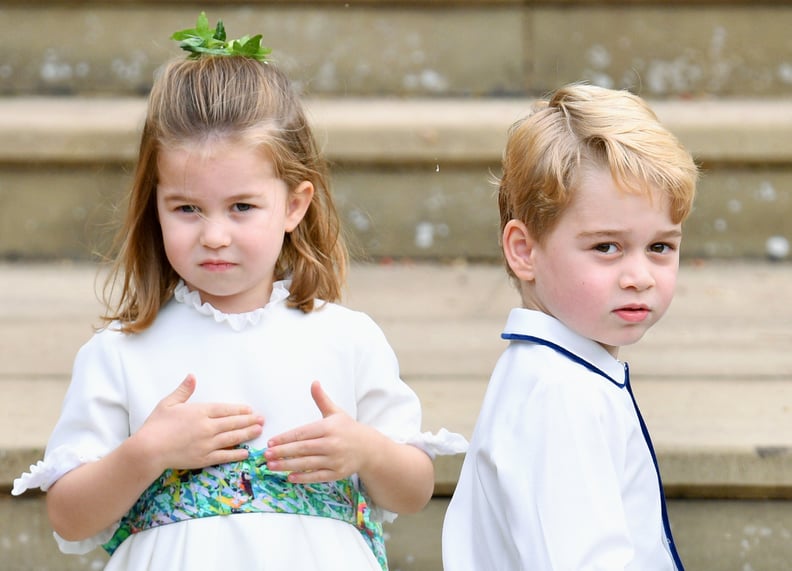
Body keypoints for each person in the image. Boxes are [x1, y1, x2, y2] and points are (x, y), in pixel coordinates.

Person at [13, 14, 465, 571]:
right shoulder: (121, 353)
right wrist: (148, 451)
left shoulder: (345, 338)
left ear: (294, 206)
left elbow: (414, 490)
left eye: (242, 207)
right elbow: (69, 516)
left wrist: (365, 451)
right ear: (154, 208)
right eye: (186, 209)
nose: (215, 235)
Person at [442, 83, 698, 570]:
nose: (639, 277)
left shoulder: (563, 375)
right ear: (524, 250)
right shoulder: (558, 394)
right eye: (607, 247)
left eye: (660, 247)